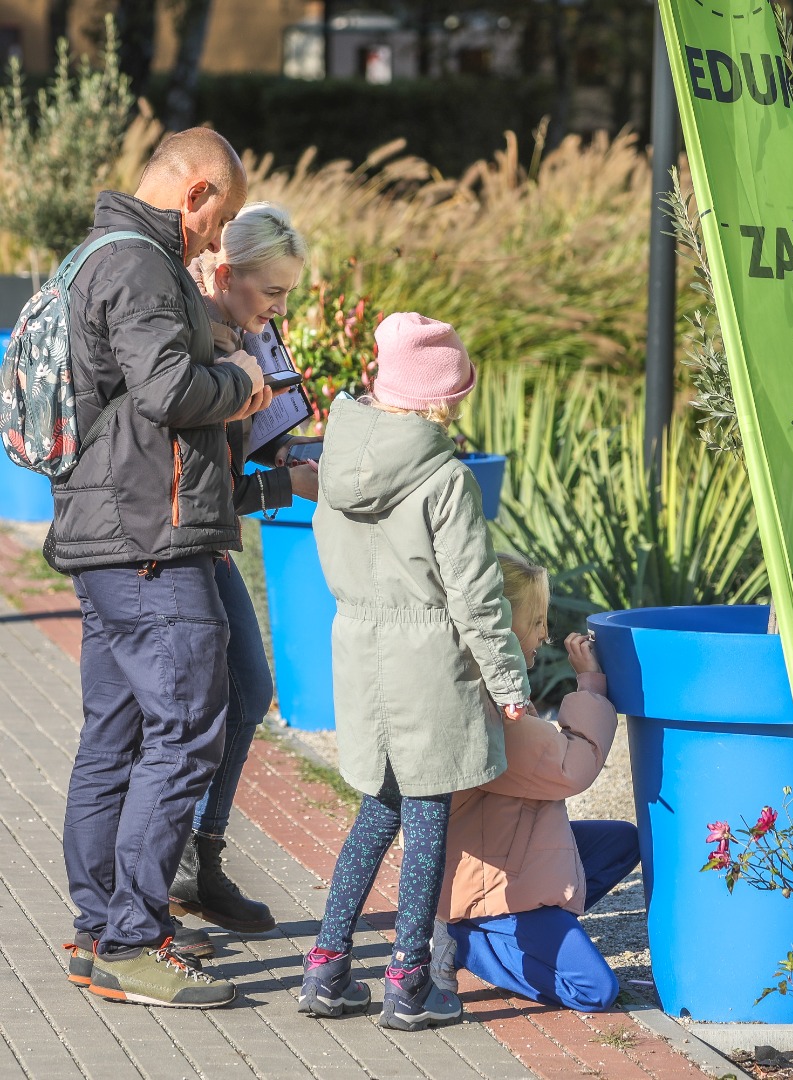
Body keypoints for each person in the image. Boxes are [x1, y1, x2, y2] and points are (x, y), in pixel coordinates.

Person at [55, 128, 266, 1009]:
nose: (215, 243)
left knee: (114, 737)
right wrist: (245, 381)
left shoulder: (94, 254)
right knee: (183, 729)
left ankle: (99, 928)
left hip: (110, 535)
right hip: (150, 538)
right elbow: (170, 391)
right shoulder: (140, 265)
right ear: (200, 192)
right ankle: (133, 943)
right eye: (218, 222)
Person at [297, 311, 531, 1030]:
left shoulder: (335, 460)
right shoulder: (446, 479)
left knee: (377, 808)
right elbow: (474, 592)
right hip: (428, 658)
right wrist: (509, 681)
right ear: (440, 399)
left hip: (359, 647)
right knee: (427, 815)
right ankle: (409, 982)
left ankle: (326, 967)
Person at [167, 203, 317, 937]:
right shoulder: (202, 340)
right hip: (175, 544)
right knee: (190, 709)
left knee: (249, 687)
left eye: (286, 296)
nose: (276, 313)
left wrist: (286, 454)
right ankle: (163, 874)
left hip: (207, 540)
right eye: (271, 294)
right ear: (226, 274)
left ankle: (202, 860)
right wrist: (292, 484)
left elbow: (243, 455)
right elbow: (203, 482)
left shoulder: (244, 334)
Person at [431, 554, 640, 1012]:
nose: (545, 634)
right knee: (594, 991)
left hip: (505, 848)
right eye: (537, 621)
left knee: (623, 842)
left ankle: (537, 926)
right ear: (501, 625)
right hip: (488, 883)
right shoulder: (491, 711)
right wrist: (589, 685)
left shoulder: (475, 680)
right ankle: (464, 937)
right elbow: (570, 768)